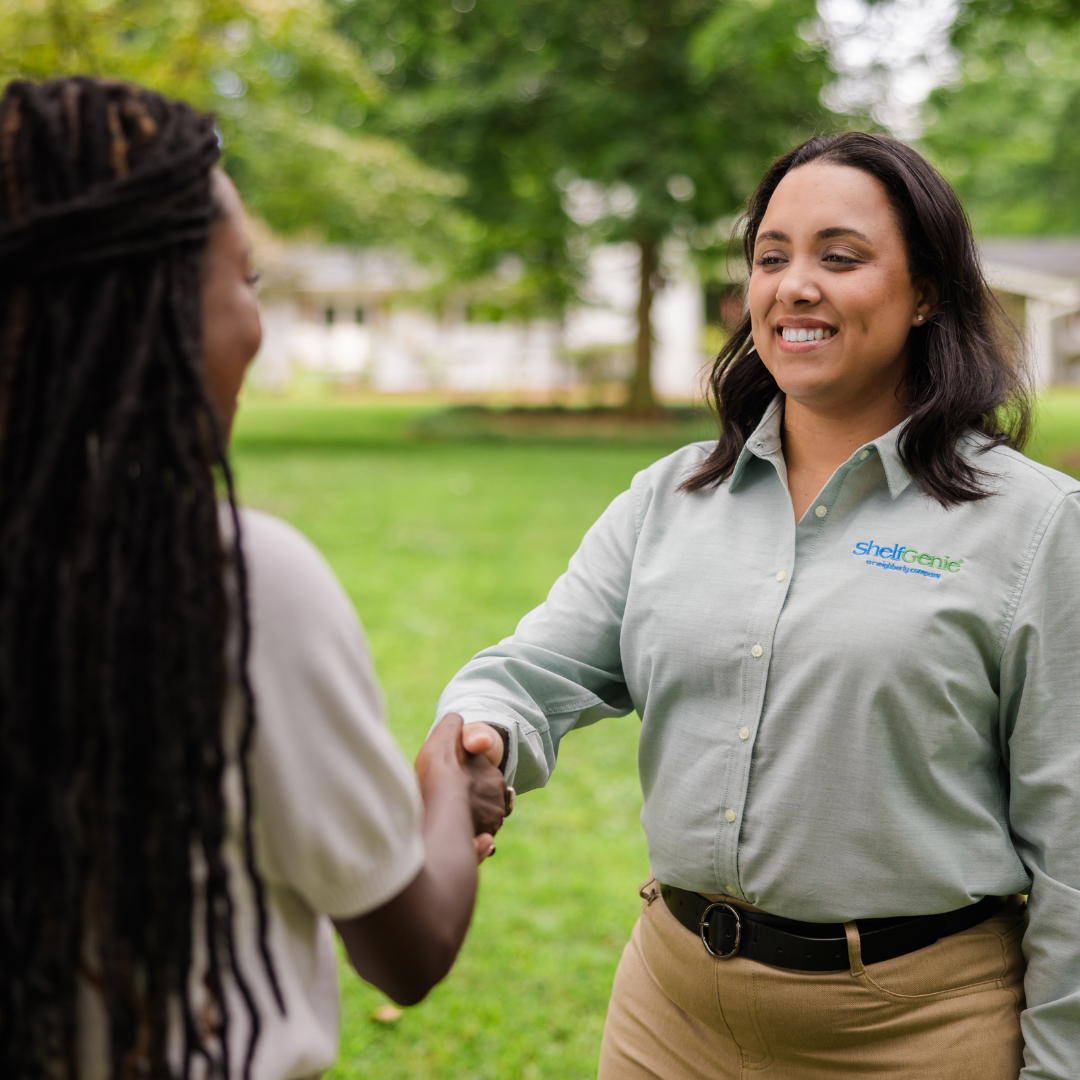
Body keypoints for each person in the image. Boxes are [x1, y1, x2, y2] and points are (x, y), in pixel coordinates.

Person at [434, 132, 1080, 1079]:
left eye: (840, 257)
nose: (794, 285)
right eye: (772, 256)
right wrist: (484, 729)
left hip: (913, 1036)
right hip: (671, 1015)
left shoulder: (1036, 525)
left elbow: (1072, 836)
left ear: (928, 291)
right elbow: (536, 669)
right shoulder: (669, 499)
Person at [0, 76, 505, 1080]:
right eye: (247, 281)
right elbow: (405, 946)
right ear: (151, 307)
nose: (257, 324)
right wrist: (446, 785)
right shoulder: (230, 578)